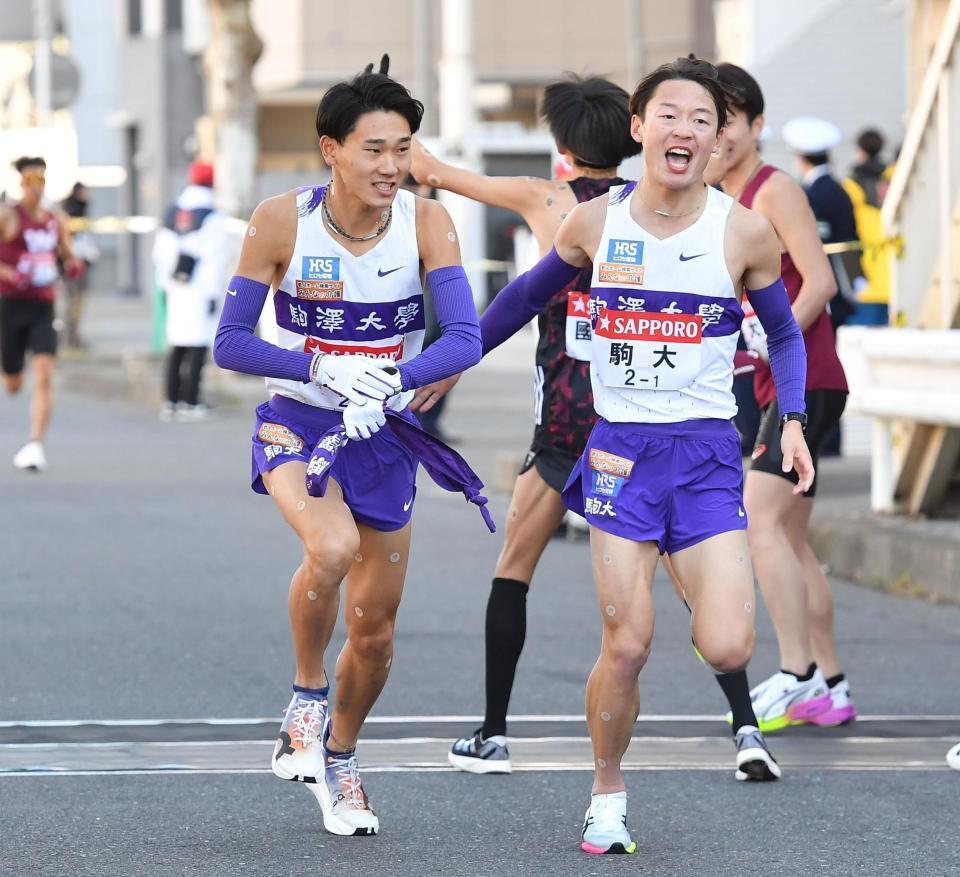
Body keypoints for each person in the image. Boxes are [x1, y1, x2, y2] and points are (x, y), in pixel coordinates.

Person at [475, 56, 813, 855]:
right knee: (626, 642)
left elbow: (788, 332)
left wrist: (790, 417)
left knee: (728, 643)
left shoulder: (744, 231)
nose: (686, 131)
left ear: (718, 138)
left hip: (703, 455)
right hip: (620, 451)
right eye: (669, 115)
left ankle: (721, 675)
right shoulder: (596, 224)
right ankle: (607, 790)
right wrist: (449, 356)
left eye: (703, 120)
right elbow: (523, 299)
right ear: (639, 128)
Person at [213, 56, 482, 837]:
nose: (392, 166)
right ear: (331, 148)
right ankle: (304, 695)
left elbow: (462, 337)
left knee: (375, 628)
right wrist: (320, 363)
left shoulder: (428, 222)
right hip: (295, 421)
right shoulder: (279, 220)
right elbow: (231, 342)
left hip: (384, 435)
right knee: (328, 548)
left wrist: (390, 382)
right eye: (375, 149)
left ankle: (342, 754)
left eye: (403, 149)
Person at [408, 74, 642, 776]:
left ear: (562, 144)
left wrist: (406, 135)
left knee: (514, 568)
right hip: (636, 418)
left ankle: (493, 730)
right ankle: (744, 721)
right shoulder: (654, 207)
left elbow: (434, 173)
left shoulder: (547, 199)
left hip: (564, 422)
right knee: (683, 580)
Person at [715, 63, 855, 732]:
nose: (717, 135)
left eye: (729, 122)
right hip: (773, 382)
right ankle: (832, 684)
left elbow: (822, 282)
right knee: (792, 539)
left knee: (758, 515)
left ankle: (796, 674)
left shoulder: (775, 190)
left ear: (755, 125)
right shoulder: (716, 196)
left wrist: (772, 337)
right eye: (707, 121)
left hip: (809, 379)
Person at [0, 156, 83, 471]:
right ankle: (9, 371)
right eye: (31, 181)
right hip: (11, 305)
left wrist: (73, 263)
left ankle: (35, 444)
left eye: (42, 181)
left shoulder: (55, 219)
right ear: (21, 184)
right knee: (13, 383)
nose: (37, 187)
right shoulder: (8, 216)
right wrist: (10, 274)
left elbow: (68, 253)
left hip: (43, 305)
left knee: (45, 372)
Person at [152, 161, 229, 421]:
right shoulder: (212, 217)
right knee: (198, 344)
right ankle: (191, 400)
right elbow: (216, 259)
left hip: (176, 287)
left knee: (176, 344)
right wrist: (212, 294)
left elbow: (160, 253)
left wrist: (165, 284)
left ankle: (170, 400)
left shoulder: (171, 212)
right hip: (200, 289)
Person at [782, 116, 859, 332]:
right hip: (845, 278)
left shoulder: (812, 193)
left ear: (800, 157)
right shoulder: (839, 189)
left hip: (825, 280)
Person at [842, 128, 890, 325]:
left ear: (860, 150)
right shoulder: (895, 180)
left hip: (866, 273)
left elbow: (847, 231)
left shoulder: (852, 186)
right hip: (897, 274)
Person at [60, 182, 98, 349]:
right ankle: (71, 339)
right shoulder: (72, 211)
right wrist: (73, 260)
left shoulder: (79, 209)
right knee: (73, 303)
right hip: (73, 267)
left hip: (80, 264)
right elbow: (69, 242)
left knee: (76, 303)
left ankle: (73, 337)